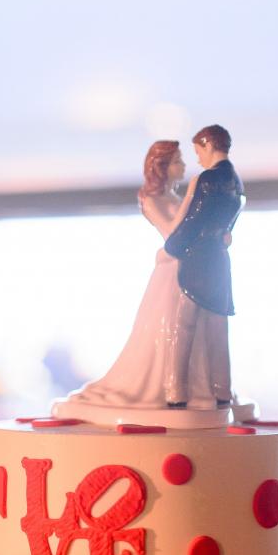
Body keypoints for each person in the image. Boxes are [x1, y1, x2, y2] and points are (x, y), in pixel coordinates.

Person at [69, 140, 219, 409]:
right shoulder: (151, 200)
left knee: (193, 331)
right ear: (161, 167)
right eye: (176, 161)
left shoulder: (175, 198)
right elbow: (172, 234)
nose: (183, 165)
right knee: (167, 329)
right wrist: (191, 200)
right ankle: (169, 388)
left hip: (191, 268)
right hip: (171, 273)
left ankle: (194, 388)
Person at [164, 124, 244, 408]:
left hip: (198, 258)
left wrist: (173, 246)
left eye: (198, 151)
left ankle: (176, 391)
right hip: (219, 260)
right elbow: (232, 219)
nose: (197, 158)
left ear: (208, 145)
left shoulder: (207, 179)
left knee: (183, 325)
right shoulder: (236, 180)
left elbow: (193, 219)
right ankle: (223, 390)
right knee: (218, 326)